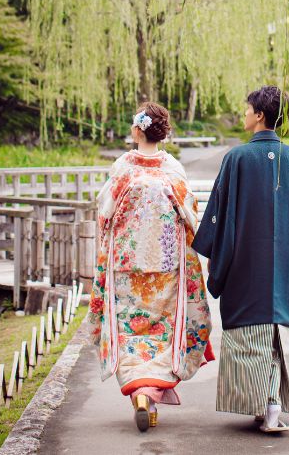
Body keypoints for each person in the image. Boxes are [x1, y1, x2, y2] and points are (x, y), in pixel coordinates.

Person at [192, 86, 289, 433]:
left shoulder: (237, 159)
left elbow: (219, 216)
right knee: (279, 337)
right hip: (286, 269)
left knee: (250, 337)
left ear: (260, 115)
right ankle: (272, 407)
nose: (244, 113)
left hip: (244, 268)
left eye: (247, 108)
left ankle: (262, 404)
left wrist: (215, 257)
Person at [87, 102, 214, 432]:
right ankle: (149, 394)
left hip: (126, 266)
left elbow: (104, 212)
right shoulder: (172, 170)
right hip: (166, 266)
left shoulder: (123, 168)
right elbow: (190, 213)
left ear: (139, 129)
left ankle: (139, 395)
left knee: (128, 330)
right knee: (163, 331)